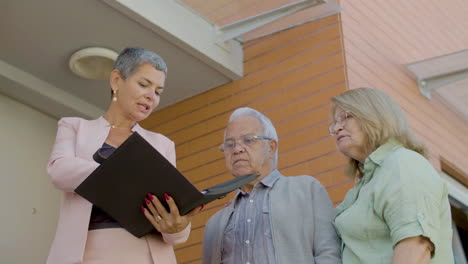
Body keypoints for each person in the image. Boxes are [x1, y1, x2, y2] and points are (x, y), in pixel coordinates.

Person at [47, 47, 201, 264]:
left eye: (158, 91)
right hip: (86, 257)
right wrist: (122, 172)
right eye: (144, 84)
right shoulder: (74, 127)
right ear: (116, 80)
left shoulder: (163, 145)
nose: (151, 97)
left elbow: (171, 228)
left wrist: (179, 227)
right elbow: (59, 172)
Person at [202, 107, 341, 264]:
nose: (237, 149)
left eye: (248, 140)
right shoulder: (215, 223)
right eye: (229, 144)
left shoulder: (307, 190)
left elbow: (329, 254)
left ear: (271, 148)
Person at [329, 88, 454, 264]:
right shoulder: (364, 185)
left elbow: (416, 245)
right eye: (334, 123)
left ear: (375, 115)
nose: (336, 127)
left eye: (346, 117)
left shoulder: (402, 163)